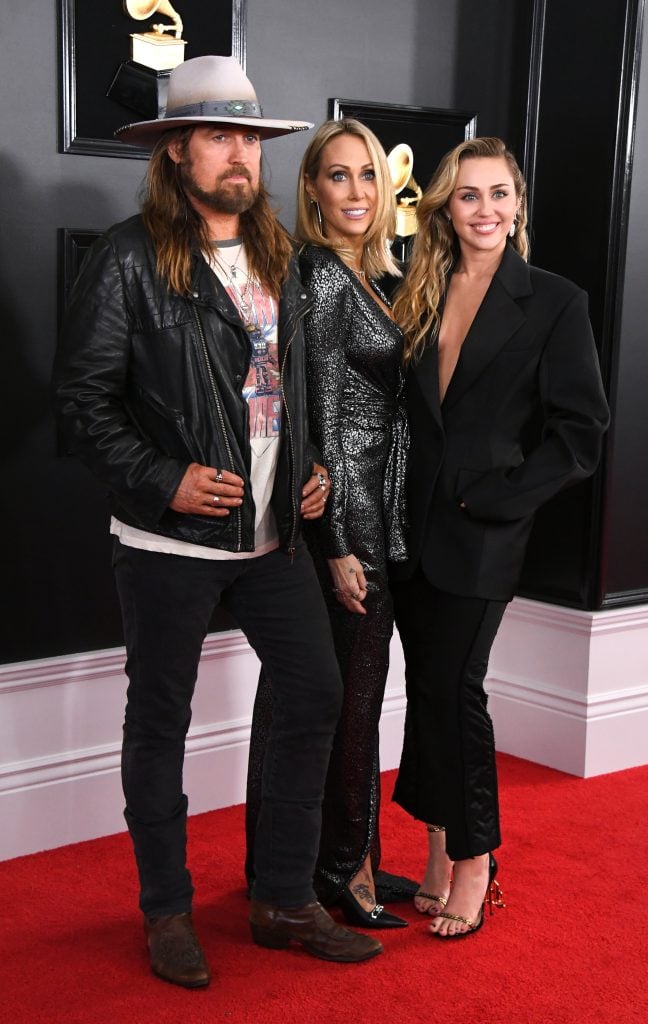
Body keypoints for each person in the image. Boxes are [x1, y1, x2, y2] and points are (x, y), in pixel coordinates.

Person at [52, 56, 383, 988]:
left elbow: (286, 391)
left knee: (314, 693)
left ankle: (281, 897)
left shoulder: (284, 255)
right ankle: (165, 912)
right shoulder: (128, 258)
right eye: (215, 136)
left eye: (247, 136)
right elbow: (81, 404)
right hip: (169, 546)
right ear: (176, 154)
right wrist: (163, 480)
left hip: (273, 539)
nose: (237, 153)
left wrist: (309, 470)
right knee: (160, 722)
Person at [390, 136, 610, 938]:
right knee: (424, 692)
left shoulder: (553, 300)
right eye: (468, 195)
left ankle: (478, 857)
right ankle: (439, 845)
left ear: (518, 203)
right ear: (446, 207)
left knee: (457, 692)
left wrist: (502, 497)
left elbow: (581, 430)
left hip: (483, 533)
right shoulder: (420, 287)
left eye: (499, 193)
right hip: (406, 530)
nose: (485, 209)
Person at [245, 118, 412, 928]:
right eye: (336, 176)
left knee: (325, 695)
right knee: (346, 697)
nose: (354, 192)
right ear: (311, 188)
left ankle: (329, 858)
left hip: (374, 507)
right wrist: (340, 544)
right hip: (349, 517)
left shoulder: (369, 273)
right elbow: (314, 420)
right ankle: (340, 871)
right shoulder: (315, 273)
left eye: (366, 176)